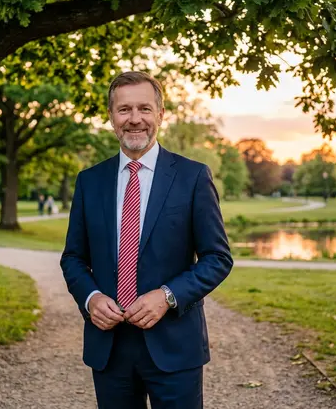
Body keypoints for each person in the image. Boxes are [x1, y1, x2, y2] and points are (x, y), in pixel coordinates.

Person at [61, 71, 233, 409]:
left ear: (161, 114)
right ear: (111, 117)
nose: (134, 119)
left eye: (144, 108)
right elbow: (73, 258)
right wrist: (91, 298)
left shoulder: (192, 176)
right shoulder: (89, 181)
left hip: (174, 344)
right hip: (109, 346)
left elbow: (217, 258)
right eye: (124, 110)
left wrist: (167, 296)